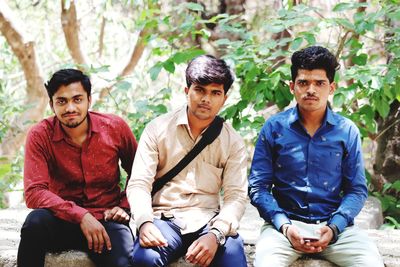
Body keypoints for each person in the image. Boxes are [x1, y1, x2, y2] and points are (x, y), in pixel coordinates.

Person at [248, 46, 383, 267]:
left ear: (331, 88)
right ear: (292, 87)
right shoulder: (274, 128)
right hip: (284, 228)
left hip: (336, 229)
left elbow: (356, 190)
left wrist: (333, 227)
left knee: (371, 263)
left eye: (319, 83)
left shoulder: (346, 130)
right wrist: (285, 226)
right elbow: (258, 187)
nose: (311, 89)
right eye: (303, 82)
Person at [127, 55, 248, 267]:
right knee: (145, 259)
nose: (206, 99)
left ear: (224, 99)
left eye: (215, 93)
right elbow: (139, 184)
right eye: (200, 90)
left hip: (208, 222)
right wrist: (144, 222)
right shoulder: (158, 129)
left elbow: (236, 196)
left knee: (234, 257)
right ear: (187, 91)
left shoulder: (233, 142)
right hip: (164, 219)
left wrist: (217, 234)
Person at [17, 69, 137, 267]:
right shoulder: (40, 135)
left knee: (123, 261)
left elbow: (141, 174)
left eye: (77, 99)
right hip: (61, 219)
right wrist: (81, 215)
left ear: (89, 100)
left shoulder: (114, 127)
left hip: (107, 220)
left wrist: (124, 206)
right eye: (61, 101)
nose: (70, 107)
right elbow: (34, 192)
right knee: (34, 223)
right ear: (52, 104)